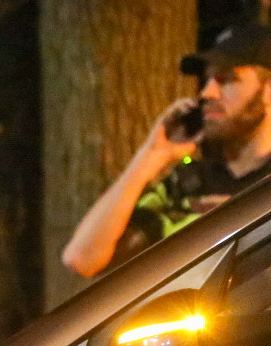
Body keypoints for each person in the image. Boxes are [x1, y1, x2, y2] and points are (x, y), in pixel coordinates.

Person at [62, 23, 271, 279]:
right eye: (207, 79)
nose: (207, 92)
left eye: (226, 79)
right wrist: (151, 156)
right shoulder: (185, 186)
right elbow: (82, 259)